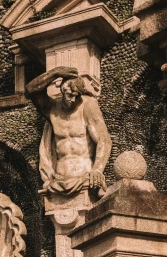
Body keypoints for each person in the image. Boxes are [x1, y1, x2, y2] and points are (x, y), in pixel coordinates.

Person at [26, 66, 112, 198]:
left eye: (76, 96)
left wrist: (97, 170)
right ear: (62, 90)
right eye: (70, 95)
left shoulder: (87, 105)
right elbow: (31, 90)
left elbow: (104, 140)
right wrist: (55, 73)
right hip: (58, 178)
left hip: (84, 175)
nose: (73, 99)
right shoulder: (52, 109)